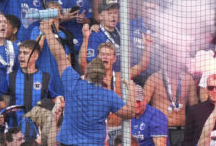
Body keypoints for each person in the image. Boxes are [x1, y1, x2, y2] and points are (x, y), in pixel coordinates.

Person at [39, 18, 143, 146]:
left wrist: (48, 32)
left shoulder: (73, 82)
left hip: (67, 143)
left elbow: (60, 56)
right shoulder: (108, 96)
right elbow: (129, 113)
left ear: (87, 72)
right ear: (102, 77)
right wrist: (131, 90)